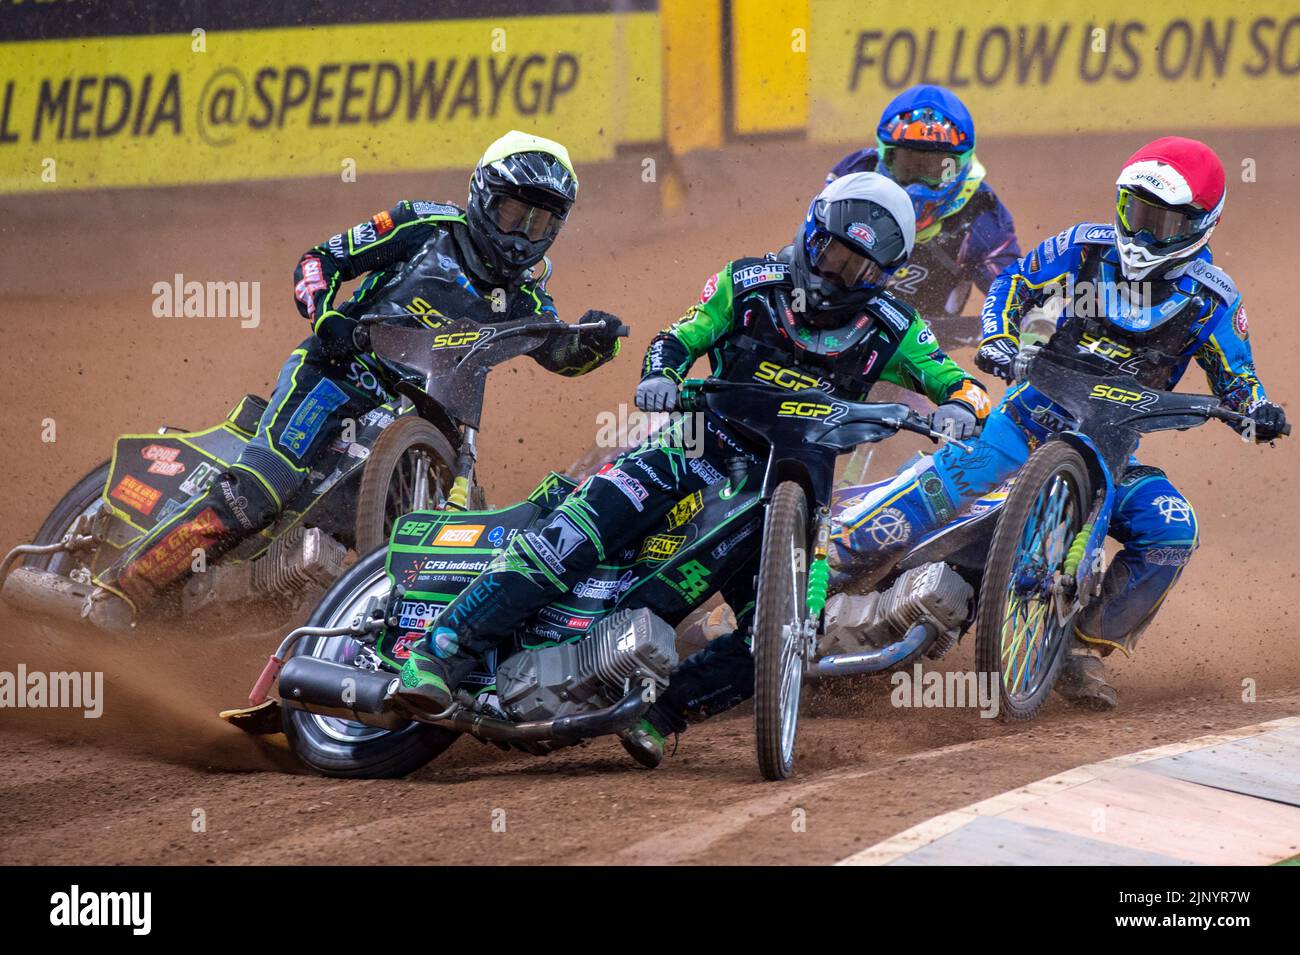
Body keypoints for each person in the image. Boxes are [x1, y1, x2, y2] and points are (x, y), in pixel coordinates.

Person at [393, 172, 992, 768]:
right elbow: (680, 337)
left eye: (858, 269)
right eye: (831, 253)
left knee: (785, 635)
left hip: (795, 488)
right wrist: (661, 375)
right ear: (811, 235)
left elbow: (961, 383)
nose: (837, 272)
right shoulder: (749, 282)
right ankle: (440, 654)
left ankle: (662, 714)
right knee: (570, 538)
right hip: (695, 444)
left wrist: (965, 407)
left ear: (882, 275)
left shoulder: (896, 326)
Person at [827, 136, 1286, 710]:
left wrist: (1256, 412)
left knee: (1172, 529)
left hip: (1112, 451)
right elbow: (1014, 283)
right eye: (1136, 213)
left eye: (1162, 223)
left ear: (1201, 225)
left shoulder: (1214, 301)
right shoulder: (1085, 246)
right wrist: (998, 336)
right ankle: (817, 571)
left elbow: (1239, 379)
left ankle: (1079, 644)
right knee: (923, 501)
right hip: (1026, 419)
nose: (1143, 234)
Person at [91, 130, 624, 626]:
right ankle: (120, 591)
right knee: (262, 488)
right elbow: (320, 260)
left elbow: (559, 353)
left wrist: (593, 342)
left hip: (422, 425)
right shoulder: (424, 225)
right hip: (335, 377)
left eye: (539, 223)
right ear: (484, 197)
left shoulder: (527, 299)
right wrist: (329, 319)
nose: (521, 236)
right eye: (514, 213)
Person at [828, 84, 1020, 345]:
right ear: (884, 157)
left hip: (922, 348)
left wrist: (1037, 323)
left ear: (961, 166)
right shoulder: (853, 179)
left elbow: (1015, 293)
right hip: (840, 322)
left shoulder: (980, 215)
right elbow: (808, 258)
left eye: (934, 169)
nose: (917, 186)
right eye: (908, 166)